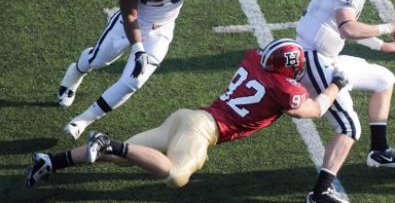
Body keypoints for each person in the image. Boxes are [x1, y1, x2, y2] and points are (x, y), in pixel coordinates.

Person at [27, 39, 348, 190]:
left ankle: (52, 161)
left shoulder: (253, 58)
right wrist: (336, 84)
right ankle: (110, 143)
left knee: (129, 156)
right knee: (176, 175)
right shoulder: (284, 90)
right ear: (288, 70)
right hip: (203, 132)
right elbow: (316, 109)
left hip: (187, 118)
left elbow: (271, 70)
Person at [57, 0, 240, 140]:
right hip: (132, 24)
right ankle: (75, 72)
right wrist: (137, 48)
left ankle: (83, 119)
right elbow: (130, 12)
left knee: (134, 81)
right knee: (98, 59)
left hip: (163, 28)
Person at [296, 0, 395, 203]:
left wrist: (385, 47)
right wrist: (390, 27)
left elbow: (350, 28)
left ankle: (379, 151)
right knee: (349, 128)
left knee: (385, 79)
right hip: (313, 59)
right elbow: (347, 29)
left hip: (328, 56)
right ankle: (320, 192)